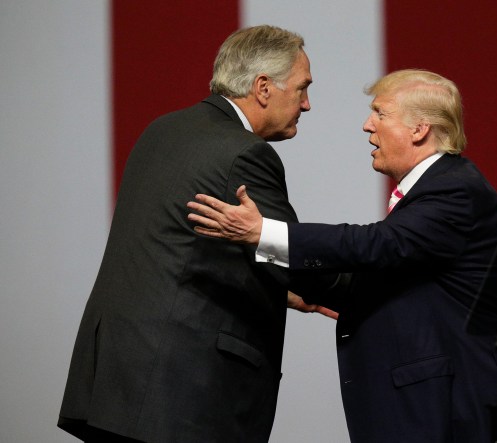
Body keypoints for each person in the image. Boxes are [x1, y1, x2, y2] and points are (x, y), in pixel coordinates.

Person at [188, 69, 497, 442]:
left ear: (419, 129)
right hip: (433, 410)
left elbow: (377, 245)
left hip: (456, 413)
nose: (367, 126)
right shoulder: (436, 190)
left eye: (380, 113)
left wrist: (264, 232)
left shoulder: (456, 190)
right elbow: (399, 280)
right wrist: (296, 289)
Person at [58, 25, 332, 442]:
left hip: (118, 385)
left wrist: (270, 286)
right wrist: (382, 283)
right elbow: (293, 254)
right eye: (301, 89)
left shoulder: (163, 130)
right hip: (180, 397)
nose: (307, 105)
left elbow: (181, 250)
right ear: (262, 88)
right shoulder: (244, 152)